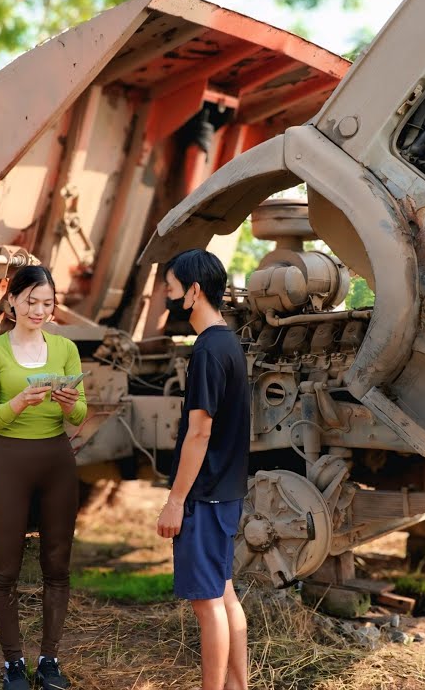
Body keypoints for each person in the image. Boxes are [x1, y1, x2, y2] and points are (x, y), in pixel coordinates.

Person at [0, 265, 87, 690]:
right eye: (31, 302)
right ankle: (13, 664)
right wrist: (20, 401)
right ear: (12, 303)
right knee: (6, 570)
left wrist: (67, 402)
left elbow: (79, 416)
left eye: (48, 303)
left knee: (57, 566)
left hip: (57, 459)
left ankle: (50, 660)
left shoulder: (64, 350)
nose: (40, 310)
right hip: (10, 462)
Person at [155, 249, 251, 690]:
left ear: (193, 292)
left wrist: (176, 501)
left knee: (207, 602)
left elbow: (199, 432)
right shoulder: (225, 342)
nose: (166, 298)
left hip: (205, 494)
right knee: (224, 592)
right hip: (225, 490)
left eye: (171, 289)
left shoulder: (209, 351)